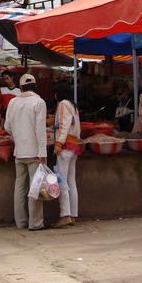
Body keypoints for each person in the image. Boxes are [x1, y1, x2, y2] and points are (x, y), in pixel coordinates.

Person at [4, 74, 47, 231]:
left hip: (19, 151)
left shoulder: (13, 102)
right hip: (35, 152)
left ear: (21, 88)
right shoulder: (39, 102)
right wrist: (43, 152)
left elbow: (7, 127)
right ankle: (35, 223)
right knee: (34, 188)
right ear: (35, 86)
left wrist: (18, 135)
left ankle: (20, 222)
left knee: (20, 188)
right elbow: (40, 130)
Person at [52, 81, 81, 228]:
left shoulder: (63, 104)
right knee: (71, 181)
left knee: (62, 181)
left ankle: (65, 215)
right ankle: (73, 214)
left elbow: (64, 125)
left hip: (65, 146)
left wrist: (58, 143)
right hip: (74, 146)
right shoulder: (72, 105)